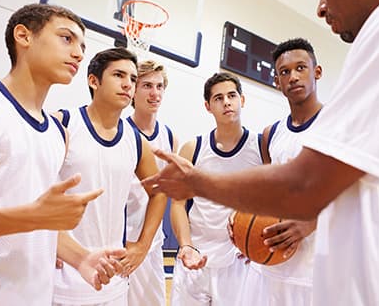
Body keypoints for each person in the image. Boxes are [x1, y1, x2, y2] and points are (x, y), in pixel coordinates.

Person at [143, 0, 379, 304]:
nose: (320, 6)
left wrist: (197, 183)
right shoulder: (270, 135)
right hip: (281, 273)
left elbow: (305, 185)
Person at [0, 3, 112, 306]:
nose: (79, 53)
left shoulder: (58, 132)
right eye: (67, 38)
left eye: (82, 46)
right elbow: (29, 217)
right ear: (23, 36)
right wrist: (28, 218)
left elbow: (38, 222)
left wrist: (81, 258)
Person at [52, 47, 167, 306]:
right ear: (93, 81)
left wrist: (143, 244)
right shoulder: (63, 123)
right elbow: (33, 187)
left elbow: (159, 191)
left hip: (113, 280)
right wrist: (48, 240)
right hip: (62, 275)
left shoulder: (136, 141)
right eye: (118, 75)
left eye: (133, 79)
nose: (128, 84)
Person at [240, 38, 321, 306]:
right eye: (284, 72)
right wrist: (241, 222)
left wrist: (312, 222)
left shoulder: (339, 124)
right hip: (271, 262)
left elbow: (357, 193)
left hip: (317, 267)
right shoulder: (270, 135)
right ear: (277, 81)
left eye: (301, 68)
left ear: (316, 72)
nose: (293, 77)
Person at [169, 72, 260, 305]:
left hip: (239, 261)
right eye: (218, 98)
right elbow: (178, 204)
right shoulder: (193, 148)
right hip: (195, 258)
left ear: (243, 100)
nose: (226, 102)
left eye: (232, 95)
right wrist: (186, 245)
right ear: (208, 106)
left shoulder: (261, 147)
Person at [125, 60, 178, 306]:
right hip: (119, 239)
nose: (155, 93)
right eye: (147, 85)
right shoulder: (119, 130)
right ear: (133, 89)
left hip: (151, 242)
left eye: (159, 86)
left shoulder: (169, 136)